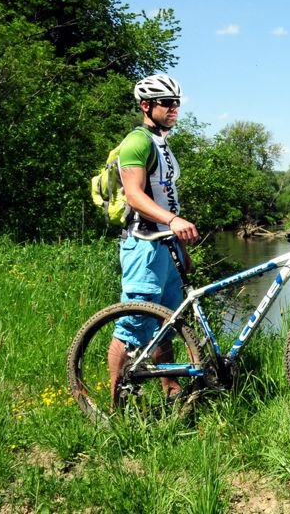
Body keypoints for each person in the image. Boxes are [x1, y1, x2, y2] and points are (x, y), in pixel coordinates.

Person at [107, 73, 200, 403]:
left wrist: (178, 246)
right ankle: (112, 408)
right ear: (146, 106)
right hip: (143, 246)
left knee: (168, 323)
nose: (174, 109)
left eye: (177, 103)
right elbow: (134, 195)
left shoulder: (162, 142)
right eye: (167, 103)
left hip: (166, 245)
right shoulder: (137, 142)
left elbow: (164, 193)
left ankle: (172, 393)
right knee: (132, 325)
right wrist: (173, 221)